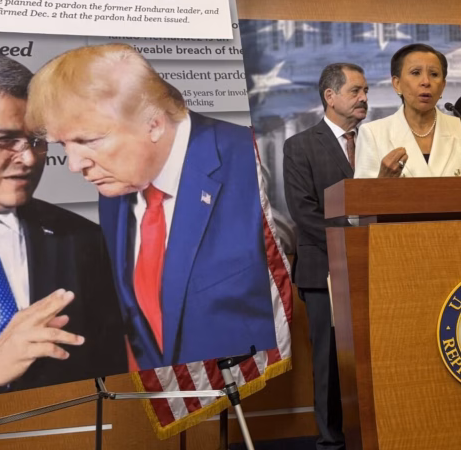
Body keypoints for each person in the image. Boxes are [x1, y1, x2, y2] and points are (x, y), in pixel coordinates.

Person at [26, 44, 277, 369]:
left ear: (154, 124)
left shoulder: (258, 162)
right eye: (64, 144)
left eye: (88, 141)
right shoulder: (117, 182)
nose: (74, 165)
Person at [0, 52, 125, 407]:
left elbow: (110, 371)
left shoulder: (83, 240)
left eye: (36, 141)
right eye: (3, 140)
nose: (28, 158)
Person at [282, 62, 369, 450]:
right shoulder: (300, 146)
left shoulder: (376, 141)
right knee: (329, 365)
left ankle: (373, 444)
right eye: (355, 91)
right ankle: (330, 449)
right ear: (329, 96)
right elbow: (304, 213)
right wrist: (353, 244)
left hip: (378, 268)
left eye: (366, 91)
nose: (364, 98)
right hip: (324, 271)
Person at [354, 44, 461, 178]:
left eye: (434, 74)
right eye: (415, 73)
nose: (426, 82)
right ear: (397, 84)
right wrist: (382, 181)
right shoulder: (373, 133)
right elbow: (361, 194)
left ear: (443, 86)